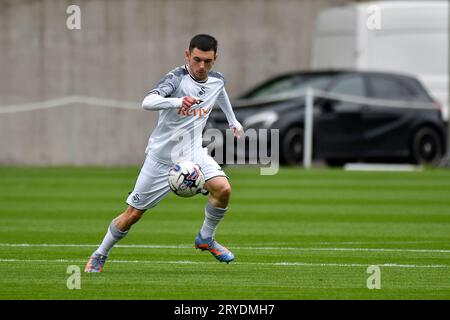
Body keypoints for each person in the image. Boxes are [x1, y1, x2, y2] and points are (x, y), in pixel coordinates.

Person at [85, 34, 244, 272]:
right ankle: (100, 253)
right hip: (161, 160)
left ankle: (205, 239)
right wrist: (176, 102)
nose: (202, 66)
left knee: (223, 189)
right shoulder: (176, 79)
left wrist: (233, 121)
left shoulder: (217, 80)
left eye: (208, 62)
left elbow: (220, 93)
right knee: (133, 214)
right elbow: (147, 102)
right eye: (197, 60)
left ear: (215, 59)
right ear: (187, 55)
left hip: (193, 152)